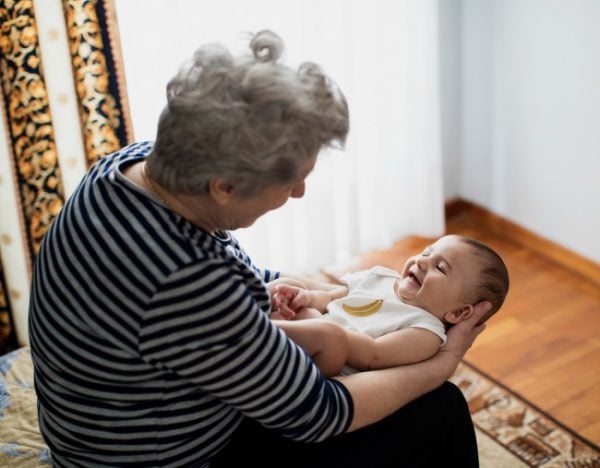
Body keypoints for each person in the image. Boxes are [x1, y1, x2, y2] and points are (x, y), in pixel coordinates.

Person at [28, 29, 490, 468]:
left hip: (99, 422)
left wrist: (305, 292)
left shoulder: (128, 167)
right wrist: (443, 362)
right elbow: (320, 415)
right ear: (225, 186)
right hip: (166, 456)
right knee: (440, 409)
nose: (300, 193)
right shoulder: (187, 282)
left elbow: (222, 279)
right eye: (291, 181)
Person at [269, 234, 509, 376]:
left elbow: (373, 355)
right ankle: (261, 329)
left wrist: (317, 323)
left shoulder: (425, 331)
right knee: (288, 283)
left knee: (328, 335)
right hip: (315, 329)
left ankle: (264, 333)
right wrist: (308, 299)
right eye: (426, 253)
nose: (422, 262)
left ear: (458, 312)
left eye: (440, 268)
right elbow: (335, 297)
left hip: (330, 363)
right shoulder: (381, 277)